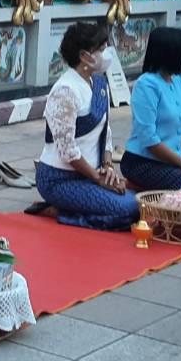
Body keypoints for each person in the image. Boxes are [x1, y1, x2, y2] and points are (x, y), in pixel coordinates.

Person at [33, 21, 140, 229]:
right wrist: (97, 178)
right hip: (60, 179)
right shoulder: (65, 90)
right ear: (84, 56)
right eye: (100, 49)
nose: (105, 53)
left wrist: (108, 167)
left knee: (138, 202)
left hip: (91, 174)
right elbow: (67, 151)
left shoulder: (99, 84)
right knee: (127, 208)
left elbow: (105, 133)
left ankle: (72, 208)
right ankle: (64, 212)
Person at [121, 26, 181, 190]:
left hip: (175, 160)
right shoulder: (146, 85)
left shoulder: (178, 81)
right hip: (144, 162)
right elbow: (148, 139)